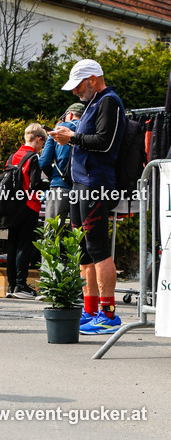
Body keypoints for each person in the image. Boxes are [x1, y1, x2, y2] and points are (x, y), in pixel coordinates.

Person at [51, 59, 125, 335]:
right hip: (81, 183)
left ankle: (108, 314)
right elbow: (88, 139)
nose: (74, 93)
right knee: (83, 250)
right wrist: (69, 137)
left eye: (78, 86)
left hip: (97, 184)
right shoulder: (95, 102)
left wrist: (71, 137)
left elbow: (105, 142)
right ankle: (90, 308)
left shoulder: (109, 101)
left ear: (93, 79)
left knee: (98, 248)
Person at [6, 123, 48, 299]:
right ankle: (22, 285)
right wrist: (49, 184)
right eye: (42, 144)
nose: (41, 148)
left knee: (12, 245)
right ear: (39, 139)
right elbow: (35, 184)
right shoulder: (33, 158)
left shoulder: (12, 156)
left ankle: (12, 285)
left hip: (12, 206)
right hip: (29, 204)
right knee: (24, 245)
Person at [40, 103, 84, 223]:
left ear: (69, 114)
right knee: (79, 234)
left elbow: (44, 161)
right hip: (84, 187)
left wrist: (54, 175)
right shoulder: (88, 130)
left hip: (60, 185)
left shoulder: (57, 130)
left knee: (52, 233)